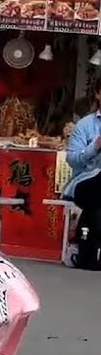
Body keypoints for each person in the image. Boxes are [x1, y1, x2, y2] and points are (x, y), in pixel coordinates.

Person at [64, 78, 101, 270]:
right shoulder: (85, 125)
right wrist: (95, 146)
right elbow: (72, 160)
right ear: (98, 94)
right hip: (84, 181)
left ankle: (88, 253)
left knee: (95, 207)